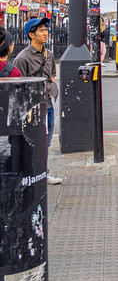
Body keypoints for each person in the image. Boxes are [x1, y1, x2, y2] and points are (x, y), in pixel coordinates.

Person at [14, 17, 62, 185]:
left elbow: (52, 77)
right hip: (31, 109)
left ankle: (43, 173)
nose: (45, 33)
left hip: (47, 106)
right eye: (41, 30)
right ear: (31, 35)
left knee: (45, 144)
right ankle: (31, 174)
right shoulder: (22, 58)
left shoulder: (49, 55)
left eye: (45, 29)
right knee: (32, 143)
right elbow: (18, 86)